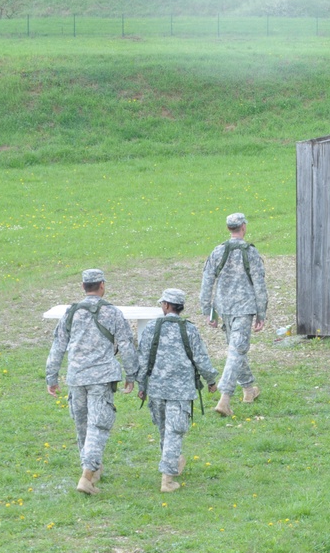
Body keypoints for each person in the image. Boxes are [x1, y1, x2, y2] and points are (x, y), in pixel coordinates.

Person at [45, 269, 139, 495]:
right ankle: (87, 476)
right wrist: (132, 375)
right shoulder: (113, 313)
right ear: (102, 286)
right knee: (98, 426)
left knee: (82, 425)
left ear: (83, 287)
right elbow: (126, 345)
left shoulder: (71, 312)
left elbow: (58, 345)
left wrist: (51, 376)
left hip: (76, 377)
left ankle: (93, 469)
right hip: (102, 377)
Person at [137, 289, 219, 493]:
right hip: (181, 391)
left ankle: (171, 463)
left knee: (164, 429)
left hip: (156, 388)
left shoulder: (151, 328)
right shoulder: (189, 329)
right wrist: (211, 380)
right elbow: (201, 358)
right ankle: (167, 479)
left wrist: (141, 386)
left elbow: (142, 358)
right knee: (174, 432)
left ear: (166, 305)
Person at [199, 212, 268, 417]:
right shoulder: (251, 253)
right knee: (236, 351)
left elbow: (206, 282)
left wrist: (208, 311)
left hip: (224, 308)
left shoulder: (218, 251)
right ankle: (225, 398)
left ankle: (248, 390)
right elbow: (260, 285)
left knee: (236, 349)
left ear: (229, 228)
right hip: (244, 308)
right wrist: (261, 314)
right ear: (244, 227)